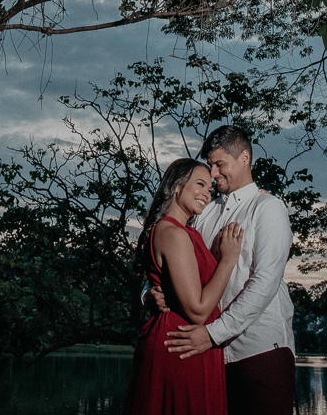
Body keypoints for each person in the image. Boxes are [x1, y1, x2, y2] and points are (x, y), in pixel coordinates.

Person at [157, 125, 296, 415]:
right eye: (210, 165)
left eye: (220, 164)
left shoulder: (268, 207)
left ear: (244, 158)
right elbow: (171, 255)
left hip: (261, 351)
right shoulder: (205, 213)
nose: (214, 173)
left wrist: (212, 333)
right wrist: (150, 292)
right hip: (212, 359)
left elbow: (266, 281)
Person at [123, 157, 245, 415]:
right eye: (199, 184)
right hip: (181, 344)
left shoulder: (188, 232)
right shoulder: (173, 233)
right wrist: (229, 260)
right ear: (177, 186)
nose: (206, 193)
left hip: (191, 344)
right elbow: (197, 311)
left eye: (210, 189)